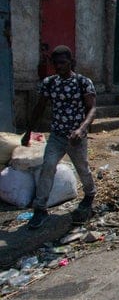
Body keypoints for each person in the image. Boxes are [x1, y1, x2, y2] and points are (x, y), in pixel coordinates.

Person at [21, 45, 97, 229]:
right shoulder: (50, 83)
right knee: (47, 167)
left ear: (71, 62)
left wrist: (82, 129)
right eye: (55, 63)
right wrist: (29, 131)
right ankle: (40, 209)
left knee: (83, 169)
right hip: (56, 135)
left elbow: (92, 109)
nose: (58, 66)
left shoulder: (83, 82)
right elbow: (39, 107)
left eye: (62, 62)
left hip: (75, 137)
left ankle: (89, 194)